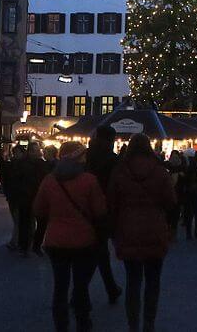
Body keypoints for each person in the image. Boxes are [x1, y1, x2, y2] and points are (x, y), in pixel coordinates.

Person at [34, 141, 107, 332]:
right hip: (84, 240)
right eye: (82, 155)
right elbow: (100, 211)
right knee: (80, 286)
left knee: (60, 286)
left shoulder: (50, 180)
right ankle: (83, 322)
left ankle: (61, 325)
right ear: (76, 158)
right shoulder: (89, 180)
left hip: (56, 241)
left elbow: (39, 209)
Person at [108, 134, 176, 332]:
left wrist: (114, 230)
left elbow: (112, 202)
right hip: (154, 230)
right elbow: (171, 201)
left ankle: (132, 325)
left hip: (128, 230)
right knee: (153, 282)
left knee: (133, 281)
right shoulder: (160, 171)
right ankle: (149, 323)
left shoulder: (120, 170)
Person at [85, 125, 122, 303]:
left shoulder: (85, 156)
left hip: (84, 208)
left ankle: (111, 288)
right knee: (98, 250)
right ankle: (80, 291)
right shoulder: (113, 160)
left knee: (98, 251)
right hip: (104, 209)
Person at [15, 142, 50, 256]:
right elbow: (17, 181)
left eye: (39, 150)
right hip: (26, 197)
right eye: (36, 150)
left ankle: (34, 245)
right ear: (30, 151)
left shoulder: (41, 164)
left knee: (40, 223)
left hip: (36, 197)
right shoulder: (23, 164)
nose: (39, 152)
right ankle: (25, 246)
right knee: (25, 223)